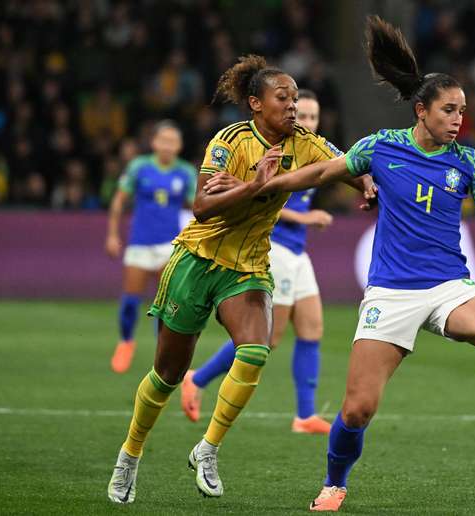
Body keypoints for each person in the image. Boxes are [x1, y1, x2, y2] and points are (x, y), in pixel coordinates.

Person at [205, 17, 475, 512]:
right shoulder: (381, 148)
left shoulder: (468, 163)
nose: (459, 119)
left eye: (462, 110)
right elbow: (320, 171)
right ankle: (334, 483)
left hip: (449, 287)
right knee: (358, 408)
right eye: (449, 109)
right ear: (421, 111)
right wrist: (256, 186)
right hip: (391, 294)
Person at [106, 54, 354, 504]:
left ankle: (208, 448)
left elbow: (346, 163)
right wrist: (255, 185)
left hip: (248, 267)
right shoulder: (230, 141)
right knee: (167, 373)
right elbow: (202, 206)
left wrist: (368, 184)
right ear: (256, 104)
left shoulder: (304, 141)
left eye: (296, 98)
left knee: (256, 350)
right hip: (197, 261)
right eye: (284, 98)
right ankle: (130, 454)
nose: (293, 106)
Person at [180, 89, 335, 434]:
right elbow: (262, 200)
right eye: (303, 115)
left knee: (313, 328)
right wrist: (307, 220)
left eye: (313, 116)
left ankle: (305, 415)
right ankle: (198, 378)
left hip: (298, 253)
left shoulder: (312, 152)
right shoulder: (278, 151)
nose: (306, 121)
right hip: (273, 248)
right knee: (269, 337)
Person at [105, 121, 196, 374]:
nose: (167, 146)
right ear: (154, 142)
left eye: (172, 141)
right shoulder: (139, 167)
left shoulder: (186, 172)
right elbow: (119, 200)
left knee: (167, 303)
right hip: (140, 243)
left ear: (179, 146)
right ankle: (126, 341)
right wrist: (112, 235)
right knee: (131, 300)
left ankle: (163, 351)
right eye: (163, 140)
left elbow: (197, 206)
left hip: (170, 245)